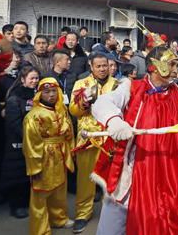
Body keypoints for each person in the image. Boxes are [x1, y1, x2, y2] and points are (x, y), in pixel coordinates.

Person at [91, 42, 178, 235]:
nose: (176, 70)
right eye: (171, 64)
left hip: (169, 172)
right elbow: (102, 103)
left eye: (176, 64)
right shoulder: (131, 87)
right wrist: (114, 121)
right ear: (154, 66)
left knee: (168, 221)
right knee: (112, 226)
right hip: (133, 170)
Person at [68, 53, 117, 233]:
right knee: (85, 179)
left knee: (110, 178)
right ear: (91, 65)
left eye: (105, 65)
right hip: (88, 138)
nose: (103, 69)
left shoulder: (117, 84)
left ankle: (109, 212)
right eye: (98, 66)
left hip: (111, 138)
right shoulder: (81, 84)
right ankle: (83, 213)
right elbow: (73, 111)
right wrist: (83, 102)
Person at [23, 78, 75, 234]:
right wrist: (34, 168)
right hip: (43, 157)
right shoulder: (33, 115)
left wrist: (71, 152)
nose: (51, 95)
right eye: (46, 92)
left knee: (59, 189)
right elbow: (30, 144)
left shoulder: (62, 110)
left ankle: (59, 218)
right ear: (40, 94)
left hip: (61, 154)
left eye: (54, 91)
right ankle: (40, 230)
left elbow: (70, 133)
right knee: (40, 194)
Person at [1, 65, 40, 219]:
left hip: (35, 140)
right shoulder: (15, 97)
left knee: (28, 174)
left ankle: (27, 201)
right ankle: (16, 205)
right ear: (23, 79)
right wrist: (27, 137)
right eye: (31, 78)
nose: (35, 81)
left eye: (36, 78)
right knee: (16, 173)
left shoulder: (38, 95)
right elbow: (14, 121)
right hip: (17, 141)